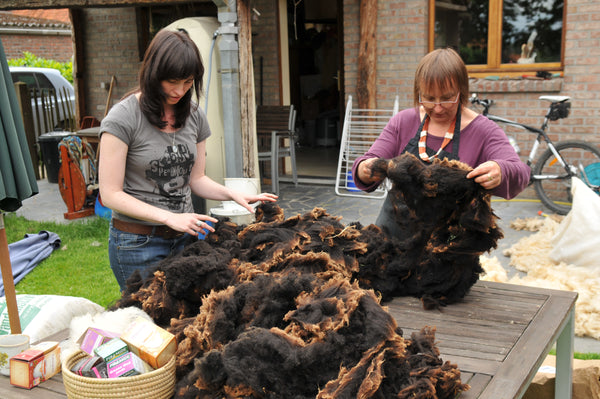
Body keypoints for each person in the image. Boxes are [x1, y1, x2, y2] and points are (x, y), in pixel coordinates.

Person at [98, 29, 277, 291]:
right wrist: (168, 217)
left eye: (188, 82)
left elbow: (197, 179)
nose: (180, 90)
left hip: (185, 238)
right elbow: (110, 194)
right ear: (153, 74)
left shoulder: (194, 116)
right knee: (149, 326)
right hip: (137, 244)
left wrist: (233, 195)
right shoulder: (122, 118)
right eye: (172, 81)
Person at [352, 48, 530, 238]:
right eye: (428, 98)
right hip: (392, 236)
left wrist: (501, 170)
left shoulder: (484, 131)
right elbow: (367, 161)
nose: (437, 108)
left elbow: (521, 173)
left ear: (461, 91)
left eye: (447, 98)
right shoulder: (403, 122)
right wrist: (364, 169)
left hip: (448, 245)